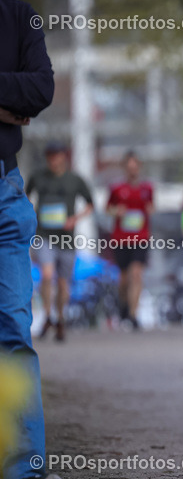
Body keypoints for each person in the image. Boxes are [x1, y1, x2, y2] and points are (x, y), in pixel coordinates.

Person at [0, 0, 67, 479]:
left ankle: (23, 474)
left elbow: (40, 89)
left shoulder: (21, 19)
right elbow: (21, 96)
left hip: (7, 197)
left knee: (14, 330)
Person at [26, 142, 94, 342]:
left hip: (66, 238)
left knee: (64, 282)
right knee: (47, 274)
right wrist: (31, 215)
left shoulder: (75, 180)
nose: (53, 160)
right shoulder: (37, 177)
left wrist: (75, 219)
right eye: (49, 156)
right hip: (43, 234)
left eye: (56, 156)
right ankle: (47, 316)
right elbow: (25, 196)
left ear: (64, 157)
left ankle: (60, 318)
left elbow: (90, 205)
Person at [107, 151, 154, 331]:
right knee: (124, 278)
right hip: (121, 239)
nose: (132, 170)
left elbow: (151, 206)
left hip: (141, 237)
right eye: (129, 167)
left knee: (137, 274)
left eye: (135, 167)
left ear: (139, 167)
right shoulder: (116, 188)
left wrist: (150, 210)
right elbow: (108, 208)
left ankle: (134, 315)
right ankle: (123, 306)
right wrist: (116, 211)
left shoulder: (147, 188)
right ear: (125, 168)